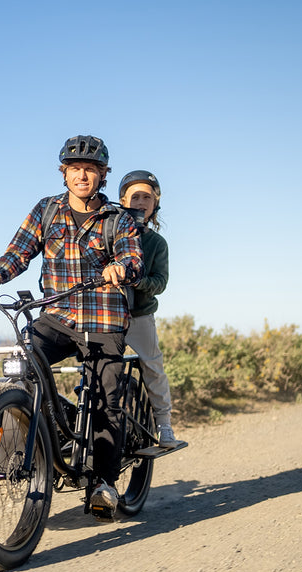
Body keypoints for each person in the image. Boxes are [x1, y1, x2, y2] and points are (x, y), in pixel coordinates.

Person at [0, 135, 143, 517]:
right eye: (75, 169)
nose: (82, 176)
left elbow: (133, 256)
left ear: (102, 175)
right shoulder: (46, 211)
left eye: (91, 170)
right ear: (65, 174)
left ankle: (103, 482)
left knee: (106, 401)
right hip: (57, 316)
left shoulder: (118, 219)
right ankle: (46, 440)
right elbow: (20, 250)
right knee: (22, 368)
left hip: (104, 321)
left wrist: (122, 267)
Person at [117, 170, 181, 448]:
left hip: (139, 315)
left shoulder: (157, 243)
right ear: (122, 200)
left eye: (147, 197)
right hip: (106, 313)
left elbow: (160, 282)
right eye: (135, 196)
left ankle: (164, 423)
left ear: (155, 203)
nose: (141, 202)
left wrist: (136, 281)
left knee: (152, 367)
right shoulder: (110, 232)